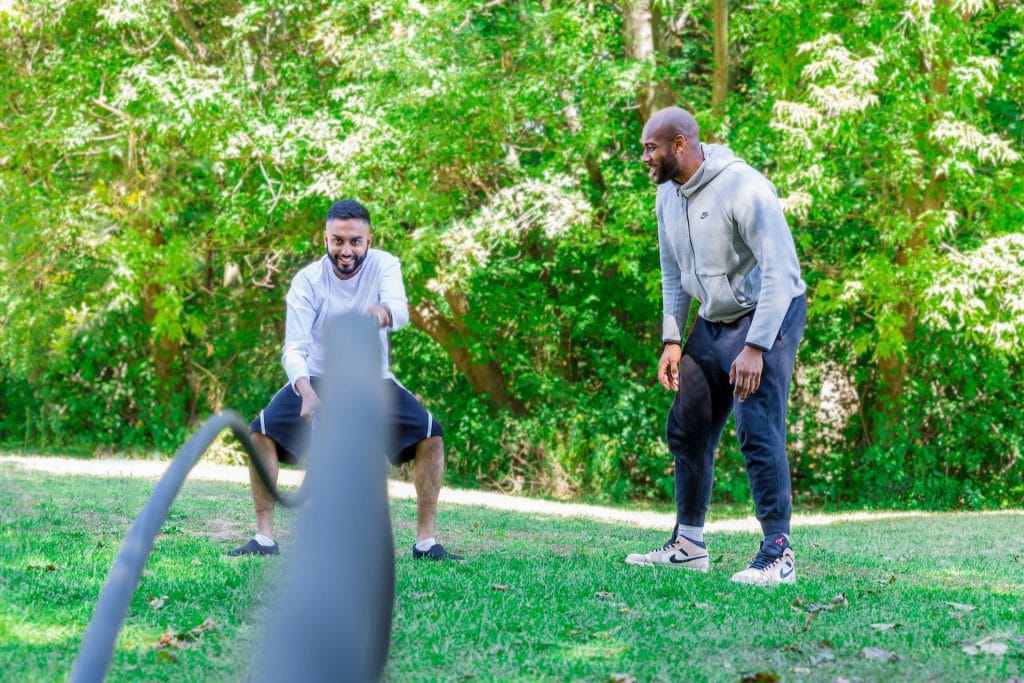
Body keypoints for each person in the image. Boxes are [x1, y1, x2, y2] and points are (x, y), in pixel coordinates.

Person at [625, 107, 807, 585]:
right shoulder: (668, 195)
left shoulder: (743, 187)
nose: (645, 157)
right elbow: (673, 272)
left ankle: (778, 554)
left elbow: (782, 274)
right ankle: (688, 544)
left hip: (770, 314)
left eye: (651, 148)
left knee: (756, 429)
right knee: (687, 423)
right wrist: (671, 338)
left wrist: (757, 347)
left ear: (680, 145)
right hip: (715, 319)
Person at [227, 199, 462, 561]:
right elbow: (294, 349)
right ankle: (264, 538)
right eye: (338, 240)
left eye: (355, 241)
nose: (346, 250)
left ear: (369, 240)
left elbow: (399, 309)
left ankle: (426, 542)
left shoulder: (385, 265)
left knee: (432, 434)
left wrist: (381, 313)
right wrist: (305, 391)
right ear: (325, 239)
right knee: (261, 432)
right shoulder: (307, 281)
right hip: (317, 378)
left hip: (372, 381)